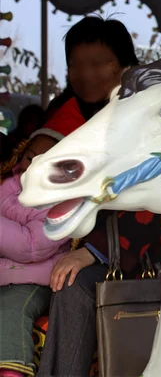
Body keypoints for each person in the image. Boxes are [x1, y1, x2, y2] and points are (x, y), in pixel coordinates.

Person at [36, 16, 161, 377]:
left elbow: (154, 193)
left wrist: (94, 250)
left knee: (74, 285)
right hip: (89, 243)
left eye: (97, 63)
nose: (85, 74)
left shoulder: (149, 114)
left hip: (146, 248)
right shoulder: (73, 115)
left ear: (125, 65)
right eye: (75, 64)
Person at [0, 132, 69, 377]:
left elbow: (30, 246)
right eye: (29, 158)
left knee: (11, 310)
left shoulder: (62, 201)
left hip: (32, 281)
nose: (32, 167)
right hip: (4, 274)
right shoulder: (7, 184)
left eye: (43, 162)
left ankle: (11, 370)